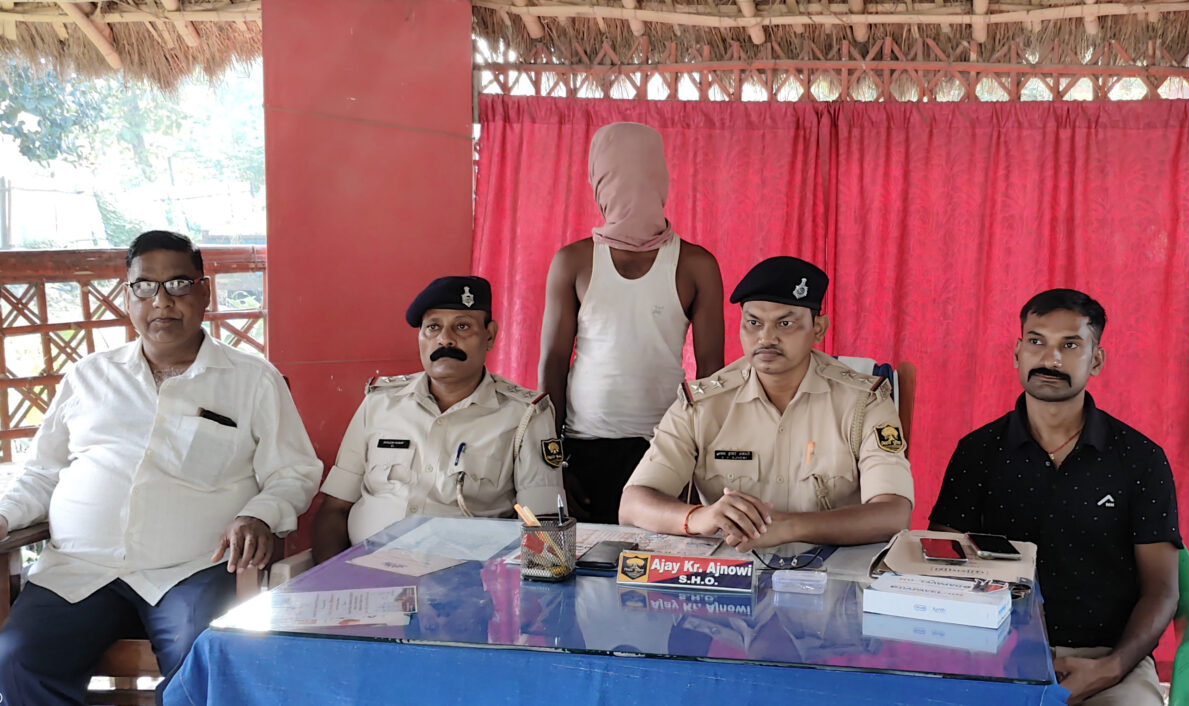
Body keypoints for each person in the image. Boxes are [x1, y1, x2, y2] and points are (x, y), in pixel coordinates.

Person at [0, 230, 322, 706]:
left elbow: (292, 472)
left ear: (204, 292)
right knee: (18, 658)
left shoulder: (253, 380)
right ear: (127, 295)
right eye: (145, 286)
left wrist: (260, 514)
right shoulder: (89, 376)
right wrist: (5, 516)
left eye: (178, 284)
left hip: (190, 571)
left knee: (201, 660)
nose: (162, 301)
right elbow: (43, 473)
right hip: (80, 568)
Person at [929, 289, 1180, 706]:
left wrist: (1113, 666)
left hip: (1108, 660)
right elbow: (941, 565)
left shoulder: (1140, 458)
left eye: (1070, 345)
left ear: (1096, 360)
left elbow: (1163, 590)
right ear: (1017, 353)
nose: (1051, 359)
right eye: (1036, 341)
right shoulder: (977, 452)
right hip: (995, 655)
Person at [618, 256, 913, 550]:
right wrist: (699, 517)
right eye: (753, 323)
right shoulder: (702, 404)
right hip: (732, 569)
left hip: (833, 569)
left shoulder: (864, 402)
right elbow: (632, 504)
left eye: (785, 323)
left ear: (818, 328)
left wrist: (790, 527)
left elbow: (893, 514)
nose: (766, 337)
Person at [539, 121, 725, 524]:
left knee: (654, 560)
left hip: (665, 447)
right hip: (583, 446)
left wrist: (699, 459)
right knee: (587, 559)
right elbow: (553, 364)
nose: (630, 184)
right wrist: (552, 464)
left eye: (642, 171)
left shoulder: (695, 264)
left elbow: (712, 375)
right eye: (615, 173)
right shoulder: (573, 261)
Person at [312, 276, 564, 564]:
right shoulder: (380, 403)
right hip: (367, 571)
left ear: (490, 335)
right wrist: (330, 579)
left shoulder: (525, 415)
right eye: (433, 327)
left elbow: (542, 524)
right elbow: (335, 508)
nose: (445, 339)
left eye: (462, 326)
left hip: (465, 581)